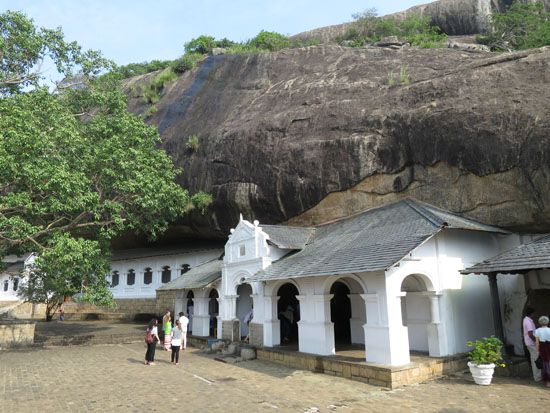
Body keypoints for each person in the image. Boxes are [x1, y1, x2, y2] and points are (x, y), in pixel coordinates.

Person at [523, 307, 542, 382]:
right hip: (531, 343)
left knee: (533, 358)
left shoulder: (526, 320)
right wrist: (536, 341)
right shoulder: (528, 321)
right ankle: (537, 377)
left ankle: (536, 376)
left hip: (529, 342)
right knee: (536, 359)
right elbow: (530, 334)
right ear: (531, 313)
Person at [534, 315, 550, 388]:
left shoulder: (537, 331)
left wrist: (537, 351)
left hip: (543, 348)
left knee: (545, 364)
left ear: (540, 322)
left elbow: (537, 342)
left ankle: (547, 382)